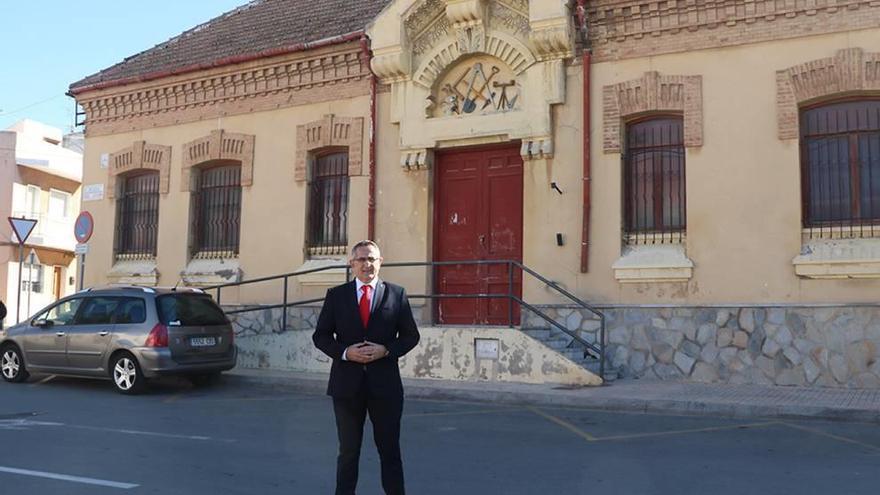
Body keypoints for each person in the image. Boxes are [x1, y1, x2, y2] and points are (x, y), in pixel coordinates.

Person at [313, 240, 420, 495]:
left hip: (386, 388)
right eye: (361, 259)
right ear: (352, 264)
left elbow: (410, 336)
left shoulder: (397, 294)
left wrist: (386, 350)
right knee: (348, 453)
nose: (367, 264)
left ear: (380, 263)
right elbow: (321, 337)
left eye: (372, 259)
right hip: (347, 387)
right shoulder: (336, 296)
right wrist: (345, 352)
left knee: (390, 451)